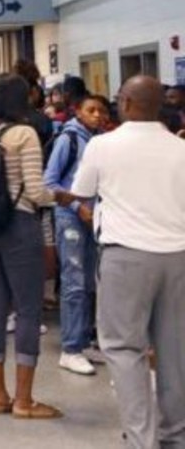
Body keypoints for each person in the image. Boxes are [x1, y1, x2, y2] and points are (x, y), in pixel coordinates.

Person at [56, 76, 185, 445]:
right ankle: (176, 436)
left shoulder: (102, 145)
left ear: (126, 103)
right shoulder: (180, 148)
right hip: (178, 256)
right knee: (175, 349)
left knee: (125, 348)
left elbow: (81, 192)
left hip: (125, 256)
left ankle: (141, 438)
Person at [0, 73, 59, 419]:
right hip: (19, 225)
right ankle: (24, 399)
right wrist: (62, 197)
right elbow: (36, 191)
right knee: (27, 309)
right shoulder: (24, 134)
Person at [42, 94, 106, 376]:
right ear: (77, 111)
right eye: (90, 110)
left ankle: (83, 339)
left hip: (96, 218)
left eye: (101, 111)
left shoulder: (101, 141)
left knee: (91, 282)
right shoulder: (68, 139)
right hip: (71, 216)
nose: (97, 115)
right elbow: (51, 181)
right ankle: (70, 349)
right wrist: (78, 206)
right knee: (74, 282)